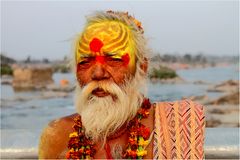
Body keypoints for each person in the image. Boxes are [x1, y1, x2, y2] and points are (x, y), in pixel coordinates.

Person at [39, 11, 205, 159]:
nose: (98, 73)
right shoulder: (57, 135)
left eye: (114, 60)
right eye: (85, 62)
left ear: (141, 68)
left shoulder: (176, 125)